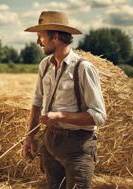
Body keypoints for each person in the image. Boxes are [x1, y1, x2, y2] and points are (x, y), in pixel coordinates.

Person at [22, 11, 106, 189]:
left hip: (78, 145)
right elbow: (37, 102)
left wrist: (60, 116)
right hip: (50, 141)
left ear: (56, 37)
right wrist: (29, 137)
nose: (38, 42)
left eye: (41, 37)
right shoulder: (44, 65)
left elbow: (98, 116)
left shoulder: (84, 68)